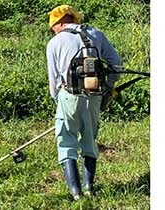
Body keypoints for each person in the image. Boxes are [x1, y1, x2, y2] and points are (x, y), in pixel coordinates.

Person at [46, 5, 121, 200]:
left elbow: (53, 81)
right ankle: (89, 188)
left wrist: (58, 100)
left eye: (53, 26)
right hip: (94, 96)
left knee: (66, 141)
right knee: (89, 141)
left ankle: (76, 194)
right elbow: (116, 64)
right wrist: (108, 88)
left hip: (69, 95)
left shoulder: (55, 42)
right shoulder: (96, 33)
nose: (53, 29)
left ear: (60, 23)